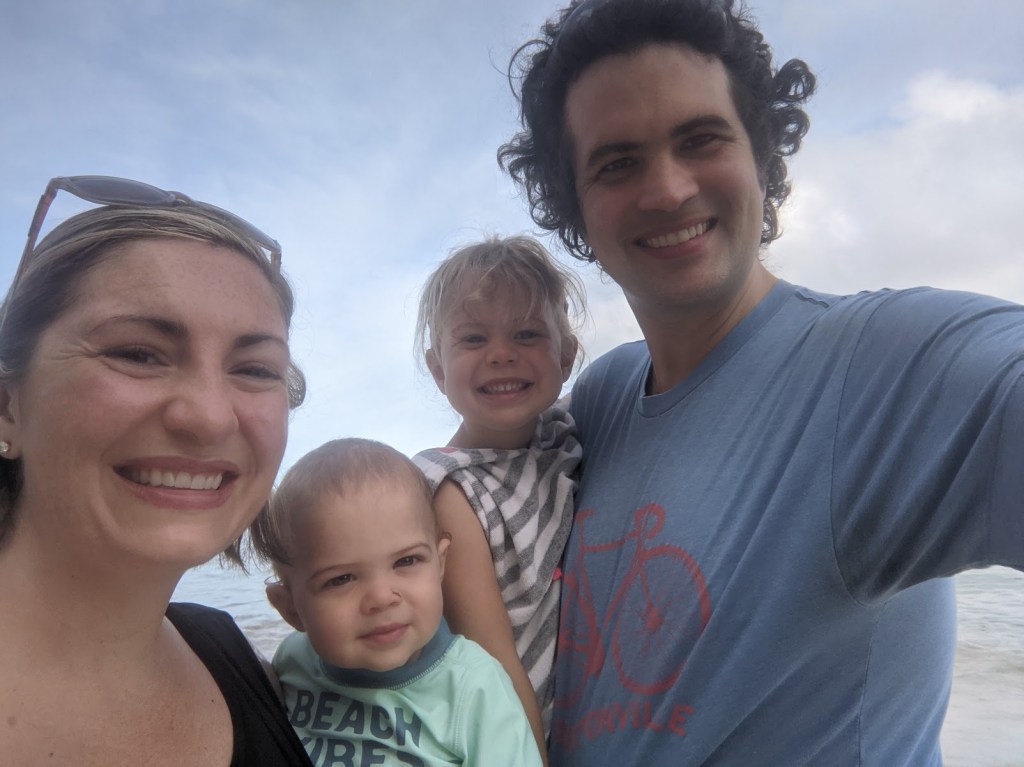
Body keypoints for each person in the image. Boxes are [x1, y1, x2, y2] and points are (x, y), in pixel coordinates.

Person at [497, 1, 1024, 765]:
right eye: (617, 163)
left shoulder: (879, 366)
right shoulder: (601, 400)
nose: (667, 189)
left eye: (700, 139)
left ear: (761, 155)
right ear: (575, 204)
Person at [0, 175, 311, 765]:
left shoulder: (234, 658)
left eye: (254, 369)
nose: (210, 418)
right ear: (8, 406)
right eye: (138, 353)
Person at [250, 437, 544, 767]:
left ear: (441, 564)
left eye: (406, 561)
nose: (381, 598)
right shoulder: (292, 662)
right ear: (290, 608)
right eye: (341, 579)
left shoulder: (474, 687)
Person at [411, 235, 584, 758]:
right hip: (504, 739)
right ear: (438, 370)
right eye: (473, 338)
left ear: (566, 357)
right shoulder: (450, 490)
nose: (502, 353)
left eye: (527, 333)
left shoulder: (561, 436)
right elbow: (494, 667)